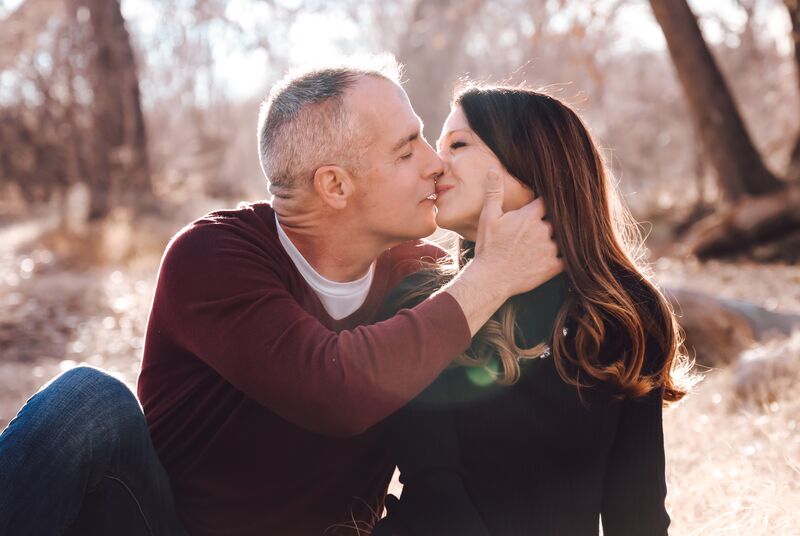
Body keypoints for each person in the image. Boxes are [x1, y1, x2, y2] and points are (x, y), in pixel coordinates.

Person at [0, 59, 563, 535]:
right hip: (166, 525)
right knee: (87, 400)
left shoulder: (420, 277)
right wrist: (492, 275)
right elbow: (334, 390)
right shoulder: (214, 257)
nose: (434, 163)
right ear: (335, 185)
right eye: (405, 150)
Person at [371, 84, 695, 536]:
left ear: (532, 162)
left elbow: (638, 515)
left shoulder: (625, 311)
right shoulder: (421, 307)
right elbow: (435, 490)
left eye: (457, 145)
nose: (436, 164)